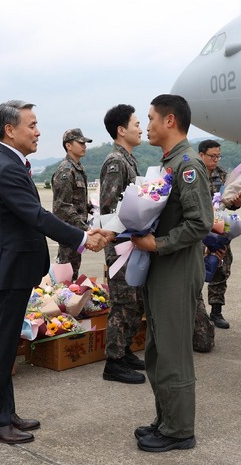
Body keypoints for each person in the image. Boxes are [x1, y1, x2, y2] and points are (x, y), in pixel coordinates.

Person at [0, 100, 109, 445]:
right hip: (8, 271)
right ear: (10, 129)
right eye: (32, 125)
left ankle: (4, 412)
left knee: (6, 346)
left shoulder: (9, 162)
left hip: (14, 269)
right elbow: (37, 217)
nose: (38, 132)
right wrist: (83, 238)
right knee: (2, 348)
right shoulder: (5, 167)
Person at [131, 94, 213, 453]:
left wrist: (158, 243)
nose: (146, 125)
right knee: (156, 350)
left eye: (150, 118)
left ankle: (180, 431)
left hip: (176, 270)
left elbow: (201, 223)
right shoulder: (169, 163)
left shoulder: (188, 164)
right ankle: (166, 418)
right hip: (162, 269)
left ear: (169, 121)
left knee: (173, 353)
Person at [99, 104, 148, 384]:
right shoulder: (115, 162)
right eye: (136, 123)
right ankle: (113, 362)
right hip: (120, 245)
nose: (140, 129)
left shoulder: (129, 160)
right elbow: (108, 208)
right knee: (122, 302)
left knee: (135, 301)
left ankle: (125, 349)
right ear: (121, 130)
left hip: (133, 243)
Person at [197, 139, 241, 330]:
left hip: (219, 229)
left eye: (218, 156)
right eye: (212, 156)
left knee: (221, 267)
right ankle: (197, 310)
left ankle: (216, 311)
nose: (216, 159)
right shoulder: (194, 173)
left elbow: (231, 202)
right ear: (201, 155)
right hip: (198, 231)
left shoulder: (223, 175)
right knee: (197, 268)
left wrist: (237, 202)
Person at [52, 128, 92, 281]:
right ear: (68, 146)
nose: (84, 146)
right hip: (69, 232)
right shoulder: (66, 170)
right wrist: (84, 227)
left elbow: (76, 202)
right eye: (80, 142)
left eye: (85, 143)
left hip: (77, 233)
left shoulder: (78, 169)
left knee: (72, 275)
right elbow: (62, 207)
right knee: (66, 278)